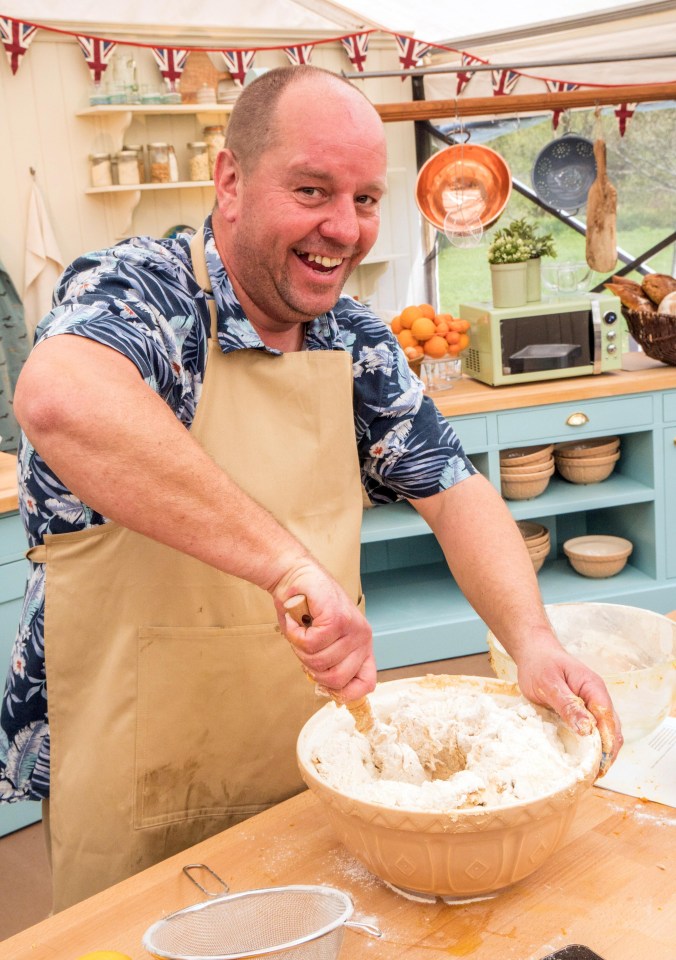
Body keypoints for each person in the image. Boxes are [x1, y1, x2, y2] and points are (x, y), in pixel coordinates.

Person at [1, 65, 621, 911]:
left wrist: (532, 640)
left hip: (317, 767)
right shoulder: (146, 291)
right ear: (230, 179)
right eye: (312, 189)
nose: (344, 227)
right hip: (141, 776)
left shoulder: (351, 336)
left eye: (365, 199)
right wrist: (291, 565)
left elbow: (453, 486)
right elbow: (59, 397)